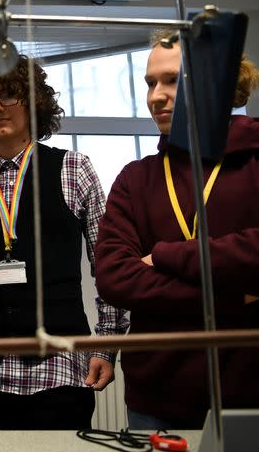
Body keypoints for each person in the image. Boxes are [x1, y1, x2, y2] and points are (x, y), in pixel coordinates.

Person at [0, 59, 129, 430]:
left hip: (59, 370)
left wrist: (107, 345)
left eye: (7, 95)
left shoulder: (74, 168)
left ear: (33, 101)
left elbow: (107, 267)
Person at [95, 30, 259, 430]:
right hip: (156, 400)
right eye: (151, 82)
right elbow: (114, 277)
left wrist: (168, 255)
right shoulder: (135, 178)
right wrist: (238, 292)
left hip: (249, 392)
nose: (155, 96)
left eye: (171, 81)